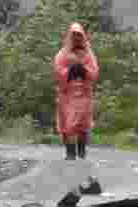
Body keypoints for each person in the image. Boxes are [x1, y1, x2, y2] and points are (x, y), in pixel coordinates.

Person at [52, 22, 98, 161]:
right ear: (70, 37)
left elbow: (94, 72)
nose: (77, 38)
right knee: (68, 124)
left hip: (84, 94)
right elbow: (57, 72)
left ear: (83, 36)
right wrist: (70, 71)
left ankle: (82, 150)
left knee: (83, 125)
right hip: (67, 94)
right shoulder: (62, 54)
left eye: (79, 35)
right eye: (74, 35)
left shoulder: (89, 54)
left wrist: (83, 71)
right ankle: (70, 153)